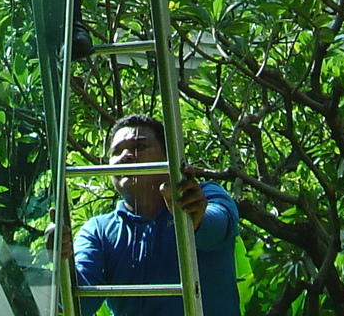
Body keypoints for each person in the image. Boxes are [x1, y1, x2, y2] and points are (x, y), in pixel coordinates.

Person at [70, 113, 240, 316]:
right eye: (117, 152)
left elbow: (218, 225)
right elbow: (79, 304)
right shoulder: (98, 231)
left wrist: (194, 220)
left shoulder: (205, 195)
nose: (126, 156)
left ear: (169, 157)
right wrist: (61, 263)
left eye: (139, 147)